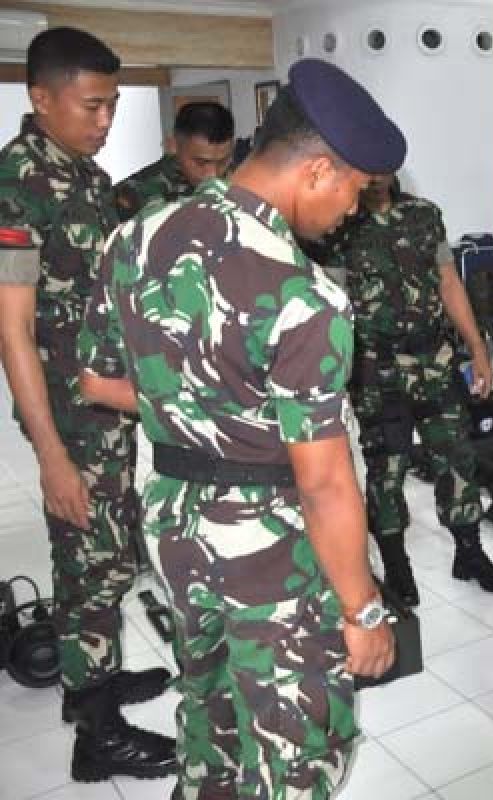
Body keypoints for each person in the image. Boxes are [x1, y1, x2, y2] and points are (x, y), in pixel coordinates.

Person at [77, 58, 402, 798]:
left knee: (212, 715)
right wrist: (363, 610)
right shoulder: (304, 294)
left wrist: (192, 407)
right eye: (355, 190)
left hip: (175, 529)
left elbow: (96, 379)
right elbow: (322, 482)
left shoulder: (135, 236)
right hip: (270, 549)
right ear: (319, 170)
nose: (353, 211)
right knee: (299, 748)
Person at [0, 26, 175, 782]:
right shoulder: (19, 183)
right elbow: (11, 329)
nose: (105, 122)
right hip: (71, 422)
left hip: (106, 411)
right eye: (92, 106)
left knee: (104, 563)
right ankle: (96, 736)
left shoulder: (86, 175)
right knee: (89, 566)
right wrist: (51, 458)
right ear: (41, 99)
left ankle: (92, 680)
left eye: (113, 107)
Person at [320, 173, 493, 606]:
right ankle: (396, 567)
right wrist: (332, 375)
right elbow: (331, 305)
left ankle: (470, 553)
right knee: (387, 469)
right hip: (376, 369)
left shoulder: (424, 217)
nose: (375, 179)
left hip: (435, 361)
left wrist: (478, 347)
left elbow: (448, 283)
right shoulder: (338, 226)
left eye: (383, 169)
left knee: (456, 457)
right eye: (366, 170)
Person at [114, 101, 235, 221]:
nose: (212, 175)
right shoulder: (134, 192)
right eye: (201, 163)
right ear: (174, 145)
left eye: (222, 162)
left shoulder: (242, 180)